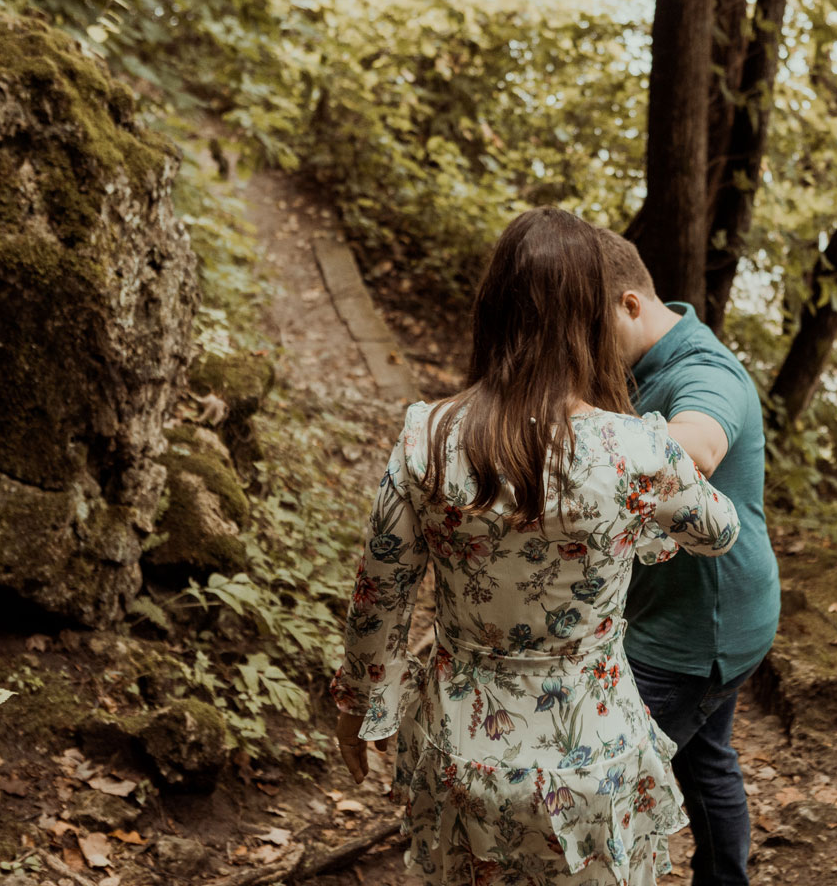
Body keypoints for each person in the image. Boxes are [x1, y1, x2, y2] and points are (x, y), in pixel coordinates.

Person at [328, 207, 742, 886]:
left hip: (464, 750)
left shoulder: (427, 436)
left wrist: (359, 707)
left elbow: (380, 594)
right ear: (592, 319)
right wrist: (651, 481)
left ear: (492, 309)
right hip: (594, 753)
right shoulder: (636, 449)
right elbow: (717, 532)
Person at [596, 230, 780, 886]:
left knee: (604, 782)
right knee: (706, 760)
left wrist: (582, 455)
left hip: (697, 631)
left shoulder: (705, 372)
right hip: (710, 613)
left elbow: (696, 448)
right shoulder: (649, 357)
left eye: (589, 328)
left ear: (628, 305)